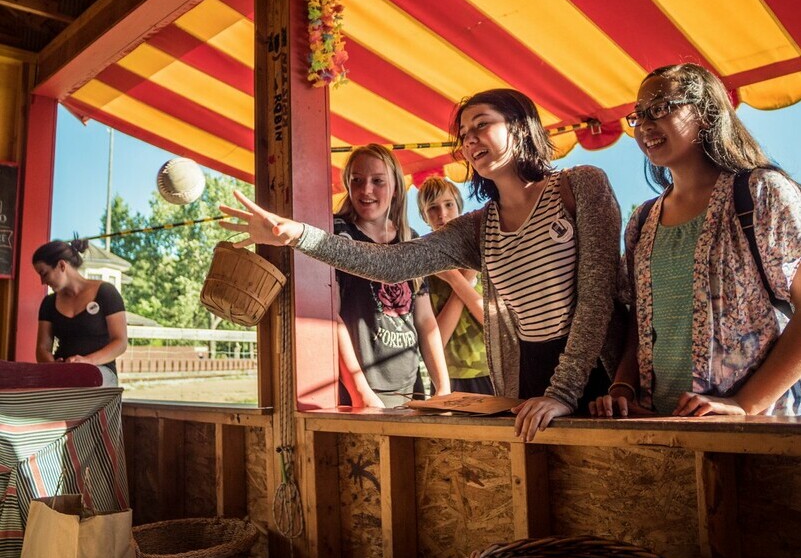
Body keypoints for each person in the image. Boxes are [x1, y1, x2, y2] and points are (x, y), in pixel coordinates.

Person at [220, 89, 622, 441]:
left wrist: (565, 393)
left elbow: (598, 298)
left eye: (481, 125)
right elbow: (394, 264)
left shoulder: (580, 185)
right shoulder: (480, 226)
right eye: (464, 135)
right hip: (531, 381)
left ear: (520, 126)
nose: (470, 139)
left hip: (600, 376)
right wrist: (297, 235)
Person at [590, 63, 801, 418]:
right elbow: (640, 324)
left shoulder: (760, 193)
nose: (645, 125)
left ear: (705, 112)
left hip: (755, 434)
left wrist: (743, 403)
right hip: (659, 427)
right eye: (638, 115)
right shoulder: (641, 222)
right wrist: (623, 387)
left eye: (660, 107)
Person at [332, 144, 450, 408]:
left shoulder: (411, 240)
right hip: (361, 390)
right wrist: (360, 391)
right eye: (357, 181)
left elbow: (424, 318)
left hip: (411, 387)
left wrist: (442, 387)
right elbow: (332, 317)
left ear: (396, 187)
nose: (366, 190)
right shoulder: (338, 234)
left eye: (378, 181)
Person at [417, 176, 492, 395]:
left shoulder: (482, 252)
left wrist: (455, 280)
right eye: (433, 208)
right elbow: (435, 337)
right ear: (424, 215)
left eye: (448, 204)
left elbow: (493, 323)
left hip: (491, 370)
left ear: (459, 207)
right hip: (447, 377)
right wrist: (462, 280)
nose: (442, 214)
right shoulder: (423, 265)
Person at [33, 239, 128, 386]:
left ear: (61, 265)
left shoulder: (106, 292)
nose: (42, 282)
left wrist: (87, 362)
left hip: (100, 370)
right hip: (63, 373)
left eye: (44, 274)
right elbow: (42, 348)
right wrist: (51, 365)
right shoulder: (48, 303)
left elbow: (120, 342)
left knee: (84, 380)